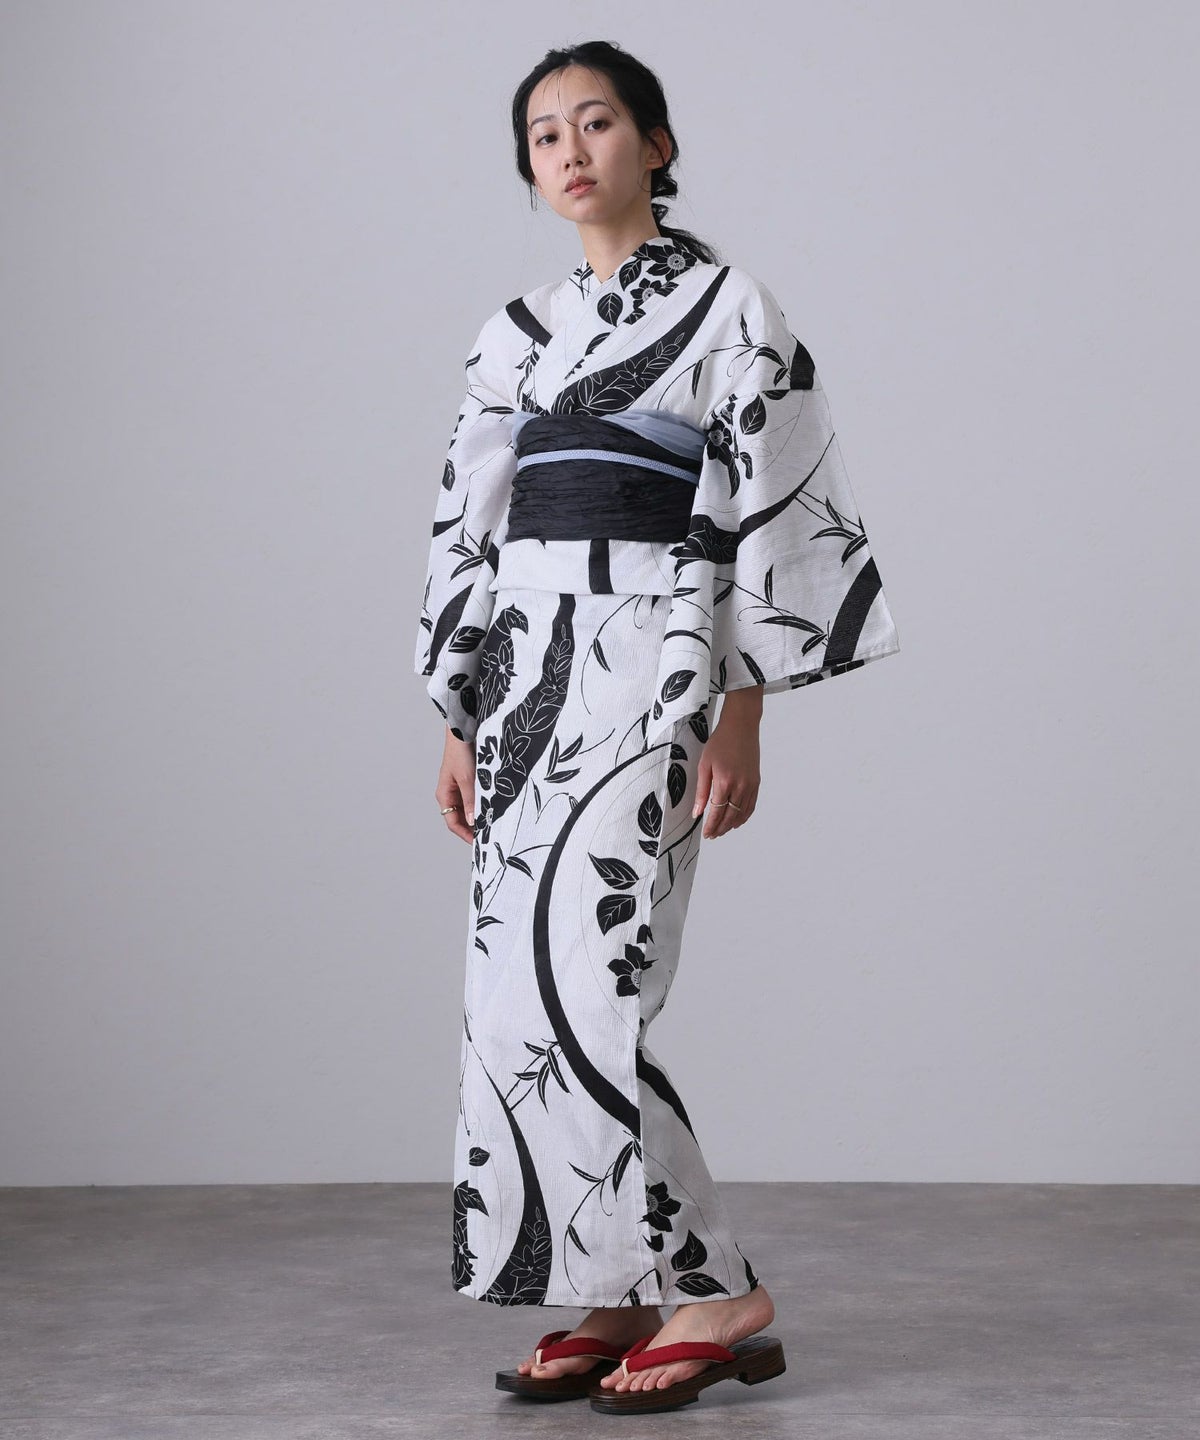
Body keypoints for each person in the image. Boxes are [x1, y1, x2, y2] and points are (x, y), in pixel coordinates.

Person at [413, 39, 901, 1415]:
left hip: (652, 660)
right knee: (513, 1000)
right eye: (544, 134)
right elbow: (471, 528)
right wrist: (461, 713)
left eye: (598, 122)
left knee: (596, 988)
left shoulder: (731, 307)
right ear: (530, 170)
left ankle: (715, 1290)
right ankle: (619, 1286)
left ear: (657, 143)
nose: (571, 150)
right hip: (525, 674)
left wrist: (742, 717)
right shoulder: (514, 335)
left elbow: (766, 507)